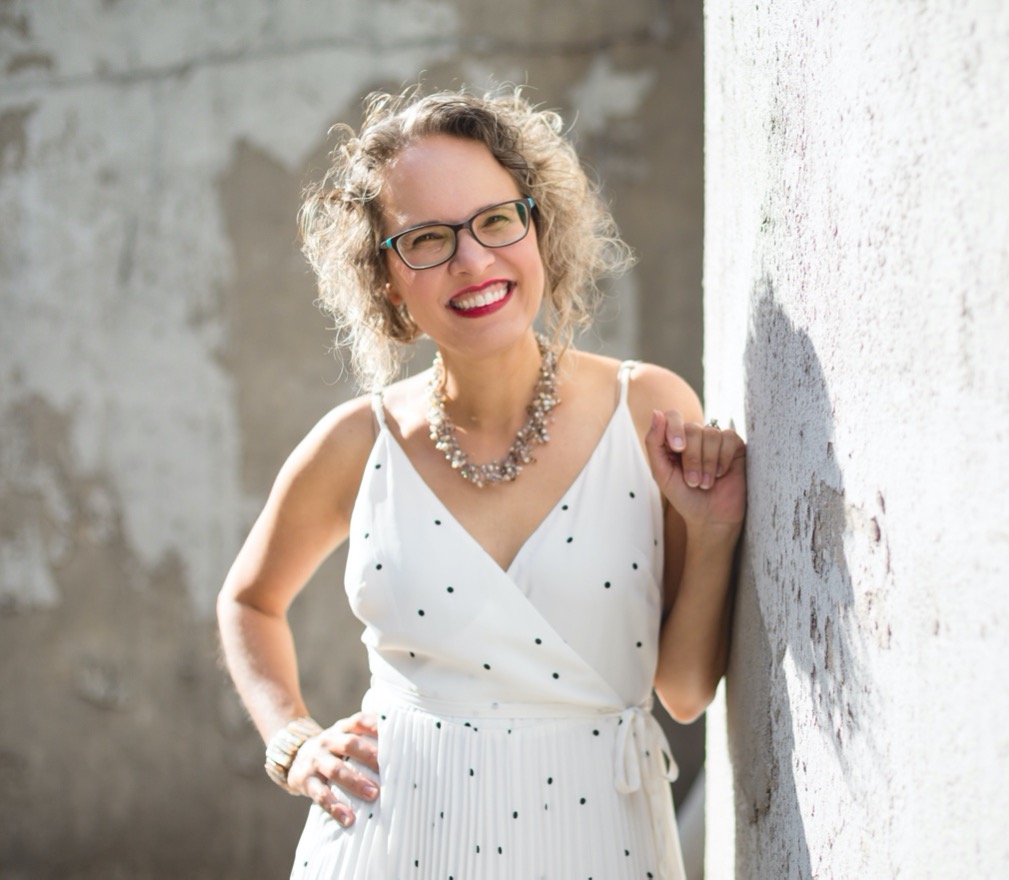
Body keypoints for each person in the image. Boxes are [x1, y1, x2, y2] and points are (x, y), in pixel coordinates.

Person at [215, 86, 745, 879]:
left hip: (595, 839)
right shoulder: (361, 442)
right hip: (385, 844)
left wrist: (712, 531)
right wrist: (292, 740)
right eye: (426, 239)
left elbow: (683, 690)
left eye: (497, 220)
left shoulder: (651, 410)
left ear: (539, 227)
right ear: (386, 277)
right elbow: (248, 602)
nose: (473, 260)